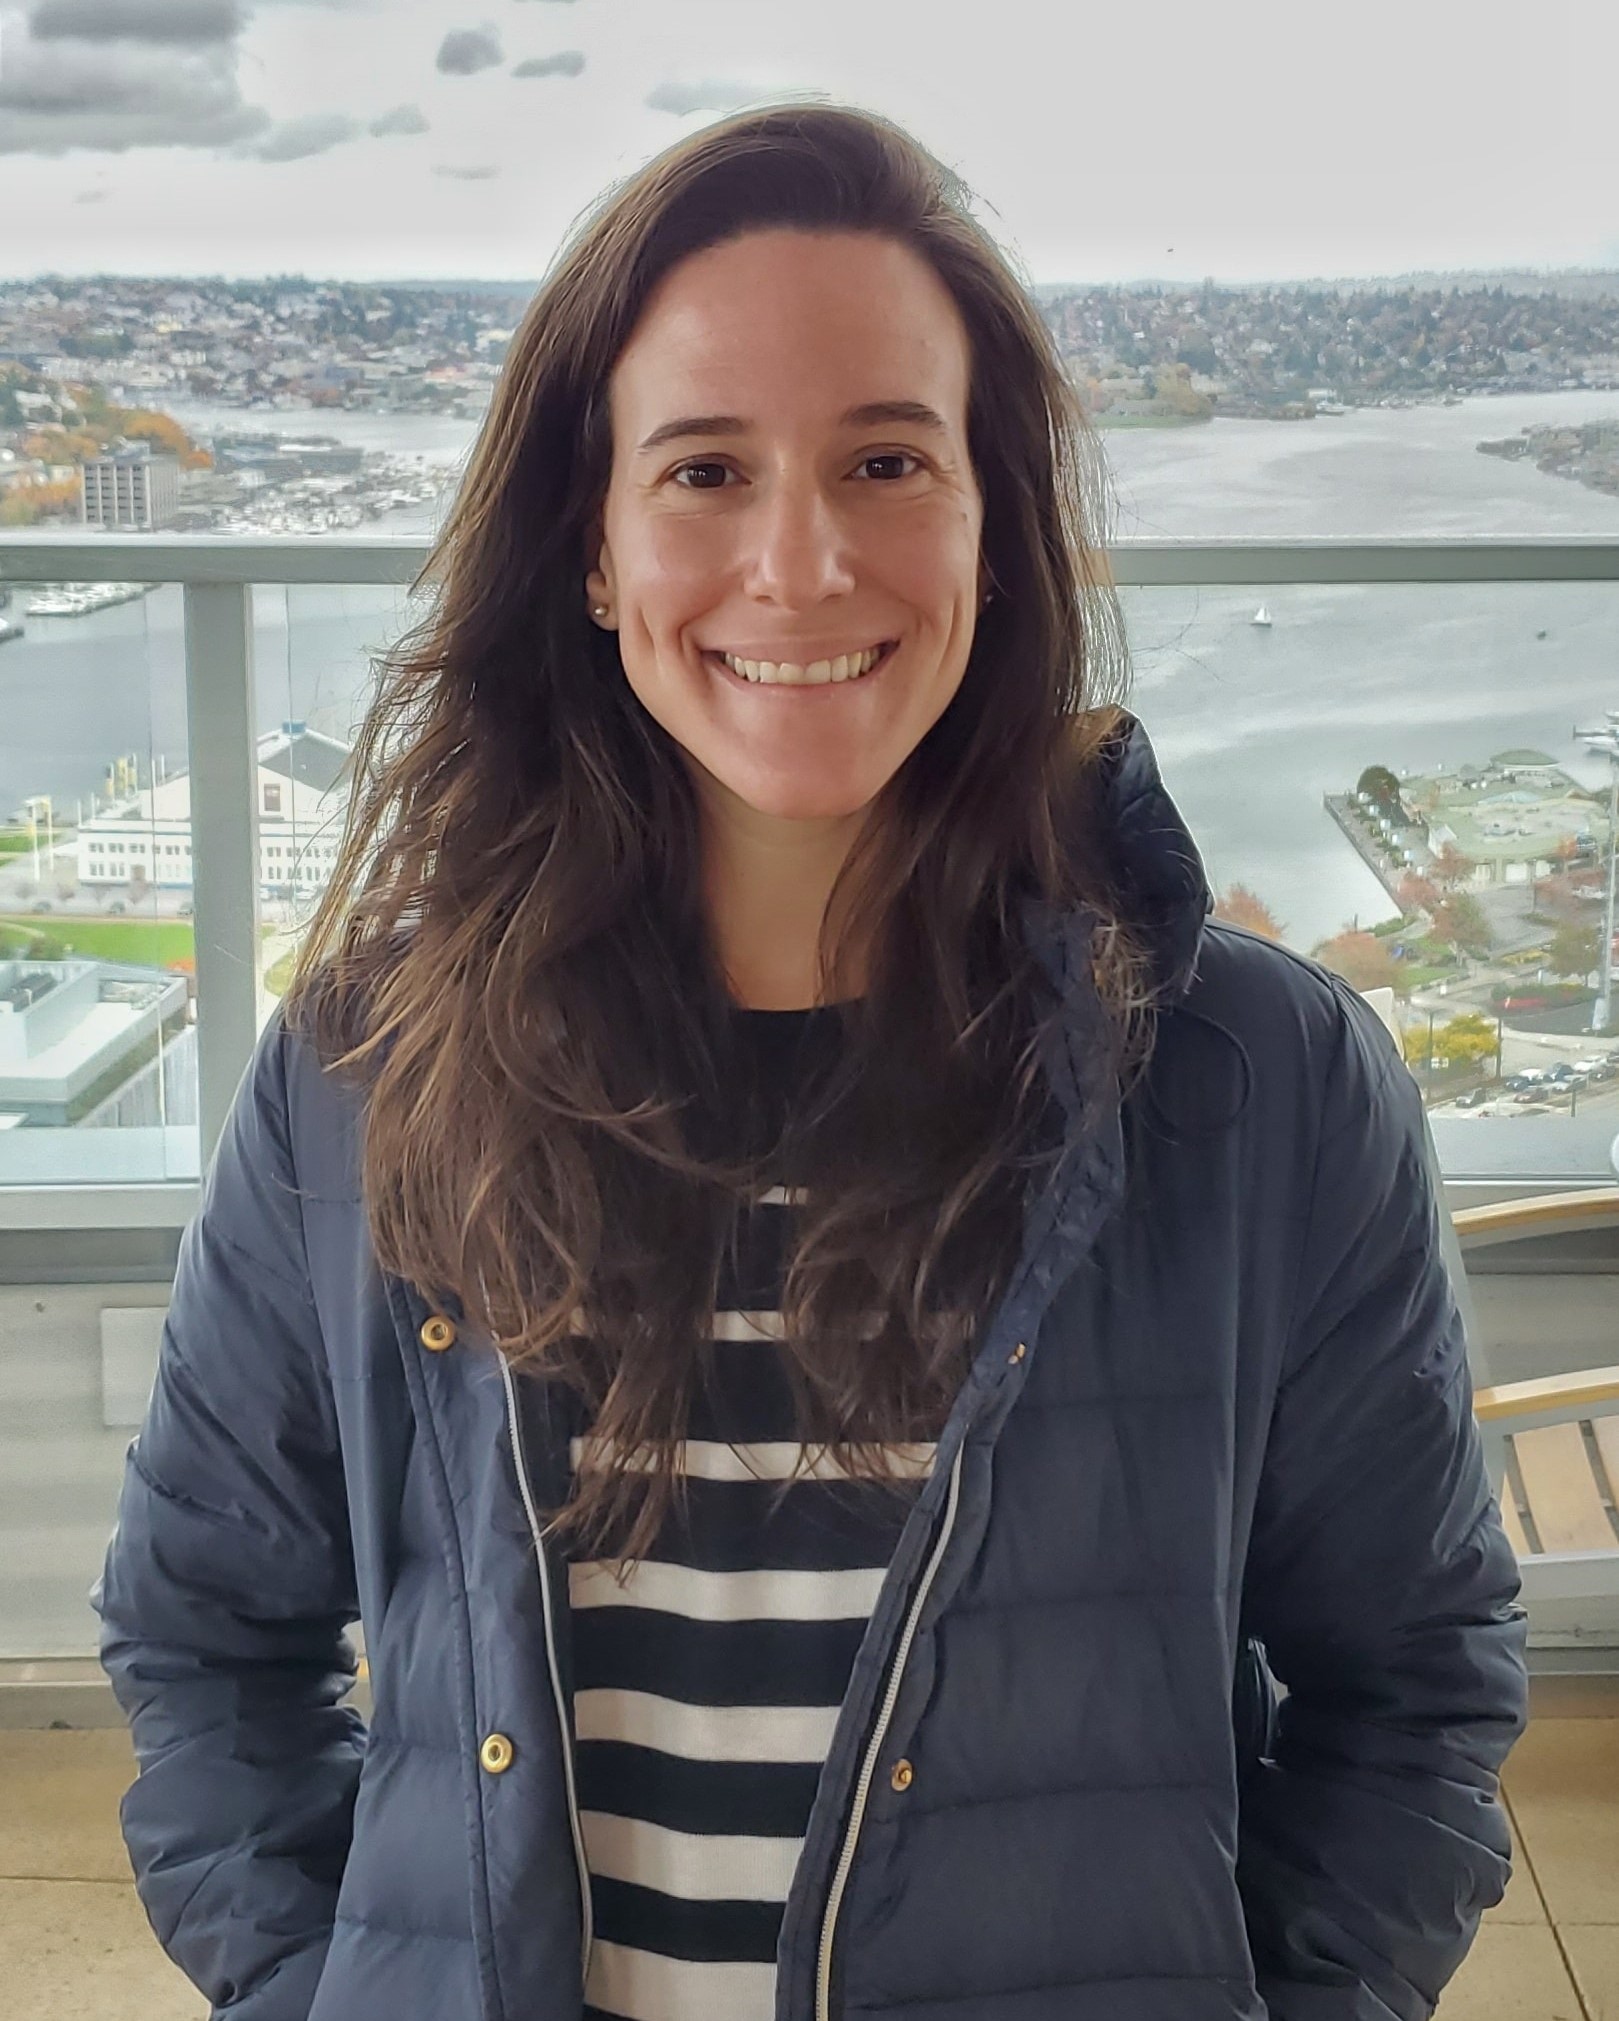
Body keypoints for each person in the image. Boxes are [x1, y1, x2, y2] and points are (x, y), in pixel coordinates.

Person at [94, 100, 1529, 2021]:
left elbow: (1415, 1681)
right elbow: (203, 1643)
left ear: (994, 529)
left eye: (884, 459)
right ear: (591, 552)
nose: (798, 563)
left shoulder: (1259, 1084)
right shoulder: (371, 1070)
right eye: (701, 469)